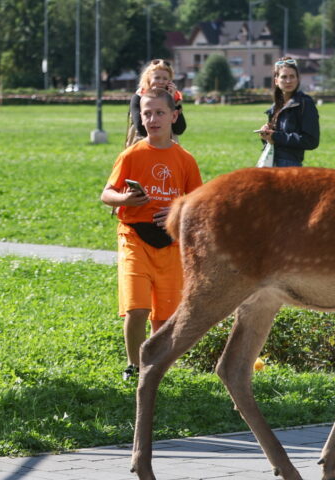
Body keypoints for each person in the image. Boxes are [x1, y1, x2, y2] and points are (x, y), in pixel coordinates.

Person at [101, 88, 203, 380]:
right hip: (134, 237)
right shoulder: (131, 155)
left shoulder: (185, 159)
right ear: (140, 118)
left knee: (166, 317)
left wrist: (176, 211)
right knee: (137, 309)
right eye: (147, 113)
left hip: (170, 244)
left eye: (159, 113)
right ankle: (135, 367)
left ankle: (158, 367)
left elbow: (197, 205)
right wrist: (125, 200)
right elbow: (107, 193)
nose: (153, 119)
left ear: (174, 116)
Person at [258, 57, 320, 167]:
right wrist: (266, 135)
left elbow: (311, 141)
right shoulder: (275, 107)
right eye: (284, 77)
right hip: (270, 162)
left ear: (298, 79)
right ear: (276, 80)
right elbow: (274, 141)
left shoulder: (305, 103)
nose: (288, 81)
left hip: (290, 166)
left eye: (292, 76)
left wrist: (276, 136)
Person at [127, 59, 187, 146]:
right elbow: (142, 130)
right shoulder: (138, 98)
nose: (161, 82)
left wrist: (172, 101)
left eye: (165, 79)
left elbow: (179, 129)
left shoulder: (173, 99)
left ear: (170, 82)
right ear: (148, 79)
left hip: (167, 149)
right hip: (142, 148)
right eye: (157, 78)